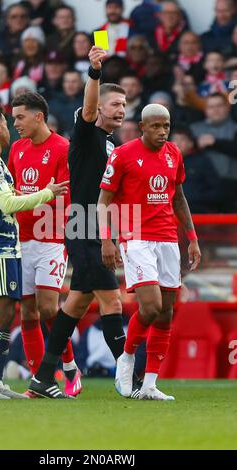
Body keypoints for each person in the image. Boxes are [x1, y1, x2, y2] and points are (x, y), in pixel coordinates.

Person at [27, 46, 135, 400]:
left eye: (124, 105)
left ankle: (43, 377)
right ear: (99, 109)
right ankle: (129, 380)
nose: (121, 110)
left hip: (96, 226)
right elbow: (88, 108)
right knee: (113, 302)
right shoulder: (87, 133)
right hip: (83, 225)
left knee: (74, 305)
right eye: (115, 105)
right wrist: (94, 73)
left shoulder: (111, 143)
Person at [0, 98, 68, 399]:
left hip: (6, 244)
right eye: (7, 121)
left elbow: (8, 195)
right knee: (0, 313)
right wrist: (47, 192)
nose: (11, 126)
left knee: (8, 311)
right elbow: (8, 204)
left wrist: (32, 193)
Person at [98, 103, 201, 400]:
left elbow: (179, 198)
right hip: (135, 238)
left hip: (168, 238)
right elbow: (103, 200)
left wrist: (192, 238)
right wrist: (107, 240)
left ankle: (150, 385)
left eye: (166, 126)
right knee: (152, 306)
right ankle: (126, 357)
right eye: (155, 126)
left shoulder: (173, 154)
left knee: (166, 312)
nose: (162, 131)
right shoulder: (122, 155)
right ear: (142, 127)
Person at [8, 91, 81, 397]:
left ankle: (69, 366)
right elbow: (11, 191)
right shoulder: (17, 149)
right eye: (13, 118)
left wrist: (37, 198)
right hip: (21, 239)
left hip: (50, 238)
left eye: (20, 117)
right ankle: (41, 383)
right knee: (27, 313)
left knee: (48, 307)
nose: (16, 124)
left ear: (39, 116)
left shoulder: (63, 148)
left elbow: (65, 194)